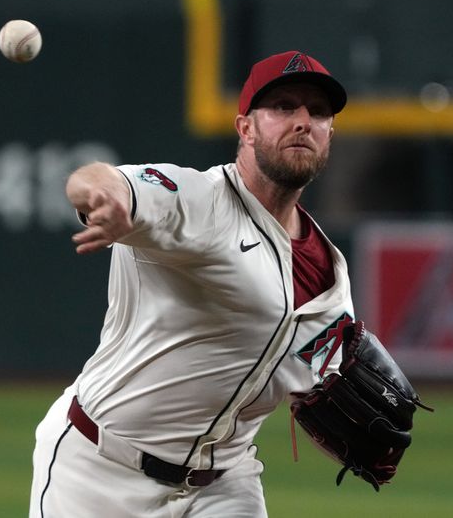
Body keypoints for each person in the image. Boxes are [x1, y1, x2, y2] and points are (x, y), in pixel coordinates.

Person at [29, 50, 354, 518]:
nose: (303, 121)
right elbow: (96, 178)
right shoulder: (197, 201)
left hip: (224, 484)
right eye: (284, 107)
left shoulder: (330, 272)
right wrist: (105, 197)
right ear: (245, 129)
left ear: (330, 134)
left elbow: (317, 390)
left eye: (318, 112)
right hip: (99, 474)